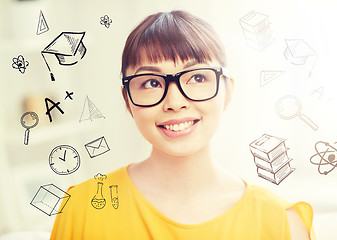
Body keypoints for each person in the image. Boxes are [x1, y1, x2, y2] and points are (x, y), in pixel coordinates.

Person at [50, 10, 315, 239]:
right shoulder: (82, 209)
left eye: (197, 77)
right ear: (127, 100)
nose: (175, 102)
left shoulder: (282, 222)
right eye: (152, 83)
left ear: (228, 91)